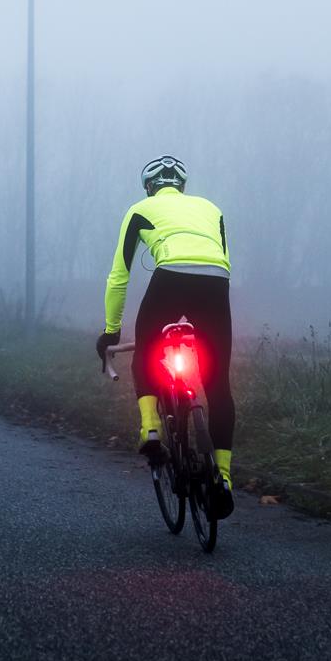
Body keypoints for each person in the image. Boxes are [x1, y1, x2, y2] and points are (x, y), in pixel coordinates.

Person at [96, 155, 235, 518]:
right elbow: (222, 259)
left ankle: (151, 428)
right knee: (218, 383)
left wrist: (110, 331)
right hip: (215, 283)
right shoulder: (212, 209)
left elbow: (119, 277)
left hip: (170, 277)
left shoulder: (140, 209)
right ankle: (223, 478)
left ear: (149, 187)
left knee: (146, 351)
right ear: (182, 187)